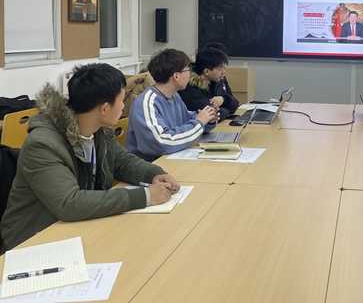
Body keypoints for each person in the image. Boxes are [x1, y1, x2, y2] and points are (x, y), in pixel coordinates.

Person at [0, 64, 179, 251]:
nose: (123, 106)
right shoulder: (43, 145)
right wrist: (145, 196)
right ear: (104, 109)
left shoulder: (98, 131)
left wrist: (154, 174)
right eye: (121, 100)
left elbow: (122, 161)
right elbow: (69, 203)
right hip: (34, 240)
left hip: (77, 226)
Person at [126, 49, 218, 162]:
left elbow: (188, 120)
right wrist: (199, 122)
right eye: (187, 70)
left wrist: (208, 120)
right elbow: (162, 143)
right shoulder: (147, 103)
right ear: (176, 76)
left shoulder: (174, 96)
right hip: (152, 166)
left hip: (171, 158)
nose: (190, 74)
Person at [178, 47, 240, 119]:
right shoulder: (190, 86)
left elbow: (235, 104)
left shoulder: (215, 81)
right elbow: (212, 115)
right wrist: (227, 109)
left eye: (224, 68)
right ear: (206, 71)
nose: (223, 72)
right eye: (220, 69)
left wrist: (223, 99)